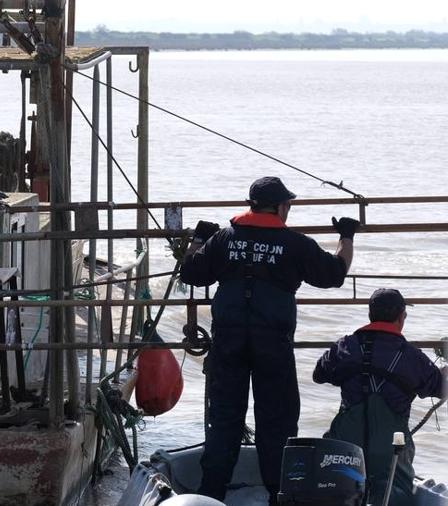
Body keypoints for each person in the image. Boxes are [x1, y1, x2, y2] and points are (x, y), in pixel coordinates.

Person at [180, 176, 359, 504]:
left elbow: (190, 273)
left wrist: (199, 237)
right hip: (273, 345)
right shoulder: (294, 243)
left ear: (251, 206)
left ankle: (211, 495)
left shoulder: (223, 239)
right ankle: (279, 497)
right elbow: (335, 274)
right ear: (280, 207)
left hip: (228, 344)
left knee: (223, 420)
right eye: (288, 205)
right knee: (276, 424)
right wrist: (346, 236)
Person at [313, 288, 446, 506]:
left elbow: (319, 375)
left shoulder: (346, 346)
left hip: (346, 449)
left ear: (370, 314)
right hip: (391, 452)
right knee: (395, 493)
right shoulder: (412, 357)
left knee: (338, 489)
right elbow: (440, 388)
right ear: (401, 317)